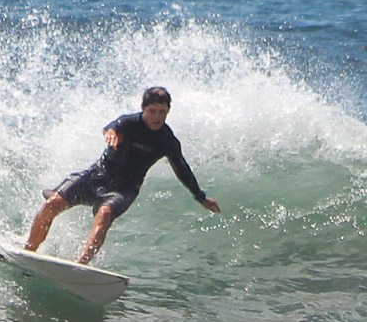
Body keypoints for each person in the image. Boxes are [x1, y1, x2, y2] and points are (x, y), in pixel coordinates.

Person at [25, 87, 220, 263]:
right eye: (152, 111)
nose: (157, 117)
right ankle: (28, 251)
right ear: (143, 109)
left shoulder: (167, 141)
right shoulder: (128, 123)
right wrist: (110, 132)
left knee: (104, 214)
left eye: (162, 112)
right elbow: (112, 127)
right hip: (97, 175)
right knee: (52, 204)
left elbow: (182, 169)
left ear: (168, 111)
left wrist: (200, 197)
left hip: (124, 189)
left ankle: (80, 265)